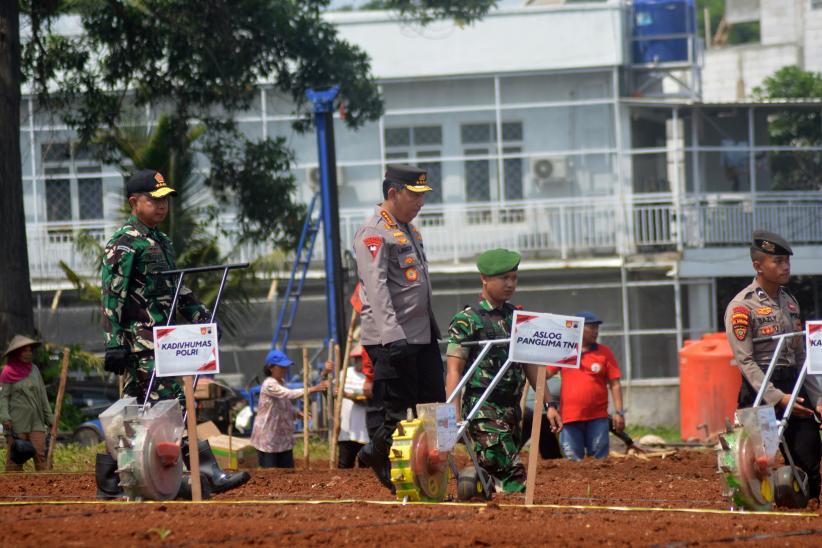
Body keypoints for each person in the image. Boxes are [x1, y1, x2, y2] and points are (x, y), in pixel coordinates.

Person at [97, 169, 249, 497]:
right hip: (140, 343)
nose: (162, 205)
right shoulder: (124, 242)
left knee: (137, 412)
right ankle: (206, 472)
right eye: (155, 199)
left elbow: (175, 287)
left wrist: (202, 317)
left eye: (165, 199)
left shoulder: (161, 241)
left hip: (164, 339)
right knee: (172, 404)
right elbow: (112, 294)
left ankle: (110, 482)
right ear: (134, 203)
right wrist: (113, 343)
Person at [353, 164, 445, 492]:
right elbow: (376, 290)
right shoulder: (373, 232)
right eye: (414, 195)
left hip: (422, 333)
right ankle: (378, 454)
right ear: (393, 193)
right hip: (393, 338)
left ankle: (434, 464)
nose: (421, 203)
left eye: (423, 195)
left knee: (436, 404)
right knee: (398, 414)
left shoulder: (409, 230)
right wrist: (393, 336)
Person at [445, 249, 562, 493]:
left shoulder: (518, 318)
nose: (510, 284)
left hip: (512, 409)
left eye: (514, 278)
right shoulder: (467, 320)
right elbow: (454, 370)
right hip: (482, 409)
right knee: (513, 476)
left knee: (490, 466)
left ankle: (475, 491)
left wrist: (549, 405)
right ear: (484, 279)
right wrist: (453, 416)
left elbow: (532, 364)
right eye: (504, 278)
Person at [724, 229, 822, 502]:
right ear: (758, 266)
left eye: (787, 261)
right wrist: (777, 398)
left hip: (795, 387)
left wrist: (818, 398)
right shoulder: (742, 307)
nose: (785, 266)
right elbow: (745, 361)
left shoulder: (790, 302)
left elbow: (803, 357)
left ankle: (808, 519)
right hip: (761, 391)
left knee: (810, 459)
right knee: (751, 465)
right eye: (777, 261)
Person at [547, 311, 624, 461]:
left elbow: (615, 384)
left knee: (600, 461)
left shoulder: (604, 353)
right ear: (579, 328)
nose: (596, 331)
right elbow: (546, 375)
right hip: (569, 417)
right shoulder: (566, 350)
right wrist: (533, 358)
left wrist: (619, 413)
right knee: (572, 462)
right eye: (591, 327)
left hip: (598, 417)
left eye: (597, 328)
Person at [251, 349, 329, 468]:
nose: (284, 370)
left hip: (283, 439)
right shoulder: (269, 384)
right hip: (268, 439)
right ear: (271, 368)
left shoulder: (281, 382)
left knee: (287, 473)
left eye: (285, 367)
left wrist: (297, 413)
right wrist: (312, 389)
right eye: (281, 367)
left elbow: (285, 404)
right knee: (271, 476)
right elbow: (288, 394)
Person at [0, 335, 53, 472]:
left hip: (36, 421)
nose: (28, 353)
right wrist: (5, 417)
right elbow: (3, 398)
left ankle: (44, 487)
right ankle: (14, 489)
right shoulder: (7, 372)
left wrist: (50, 419)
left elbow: (42, 397)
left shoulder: (34, 370)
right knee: (15, 459)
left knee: (40, 455)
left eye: (30, 350)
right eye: (25, 351)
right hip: (16, 422)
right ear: (17, 353)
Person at [337, 345, 370, 469]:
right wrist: (325, 377)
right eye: (355, 359)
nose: (357, 362)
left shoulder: (370, 377)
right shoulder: (343, 374)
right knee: (344, 466)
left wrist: (348, 395)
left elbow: (368, 400)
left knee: (365, 468)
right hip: (347, 432)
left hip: (365, 432)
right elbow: (331, 394)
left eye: (360, 359)